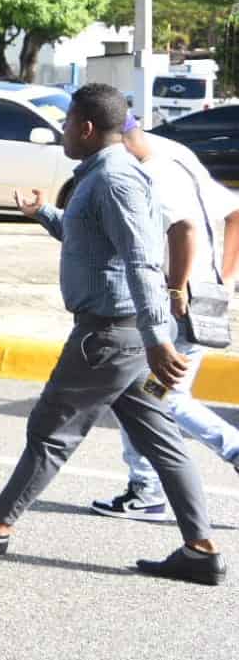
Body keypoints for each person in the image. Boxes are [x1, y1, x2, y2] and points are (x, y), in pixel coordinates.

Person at [0, 84, 225, 586]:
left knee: (51, 431)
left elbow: (142, 261)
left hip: (109, 338)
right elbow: (95, 241)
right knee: (163, 440)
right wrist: (42, 213)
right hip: (124, 339)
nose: (61, 131)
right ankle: (200, 549)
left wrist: (157, 338)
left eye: (66, 123)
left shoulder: (114, 181)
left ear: (86, 127)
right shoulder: (110, 175)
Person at [92, 113, 239, 522]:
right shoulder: (176, 153)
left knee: (151, 394)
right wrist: (225, 281)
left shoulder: (148, 173)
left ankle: (152, 486)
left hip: (175, 307)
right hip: (202, 300)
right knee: (153, 393)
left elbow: (185, 230)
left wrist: (177, 288)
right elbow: (235, 212)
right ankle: (147, 487)